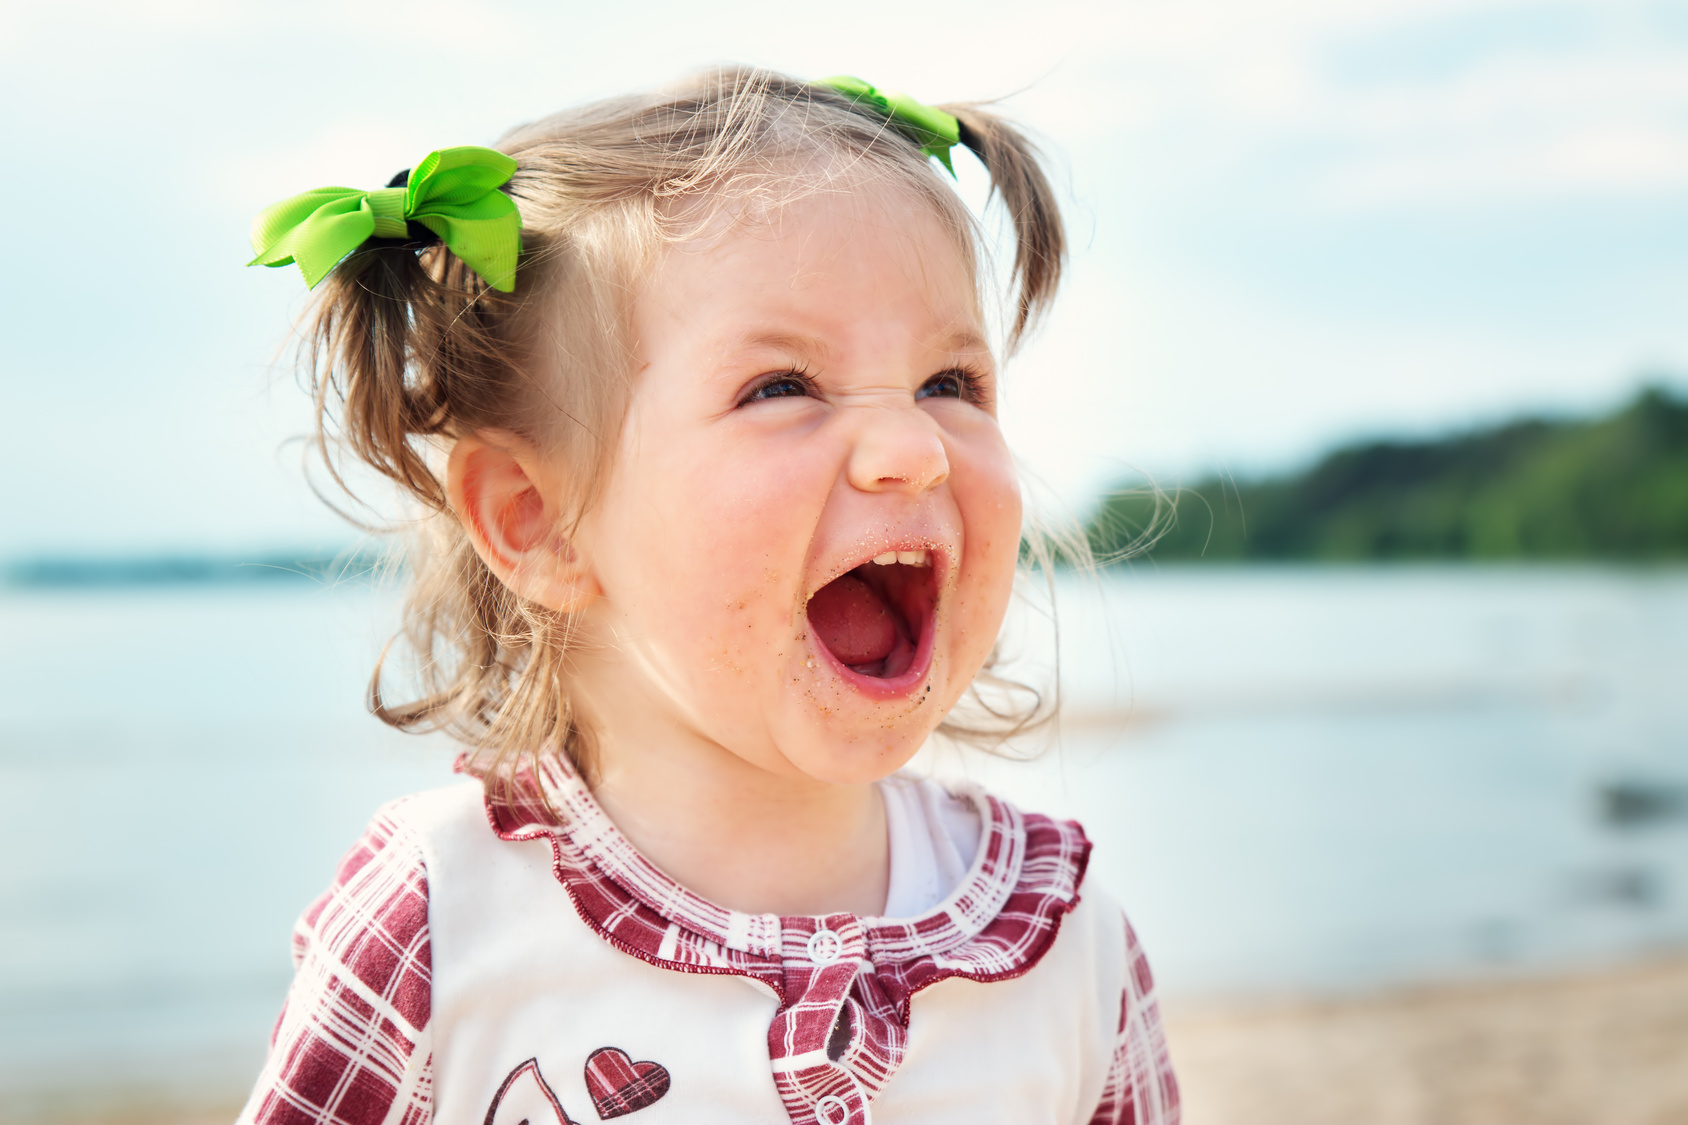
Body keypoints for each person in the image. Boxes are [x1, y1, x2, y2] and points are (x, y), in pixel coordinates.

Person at [236, 67, 1179, 1125]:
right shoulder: (439, 926)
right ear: (536, 520)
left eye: (948, 384)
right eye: (781, 389)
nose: (910, 449)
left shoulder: (1059, 943)